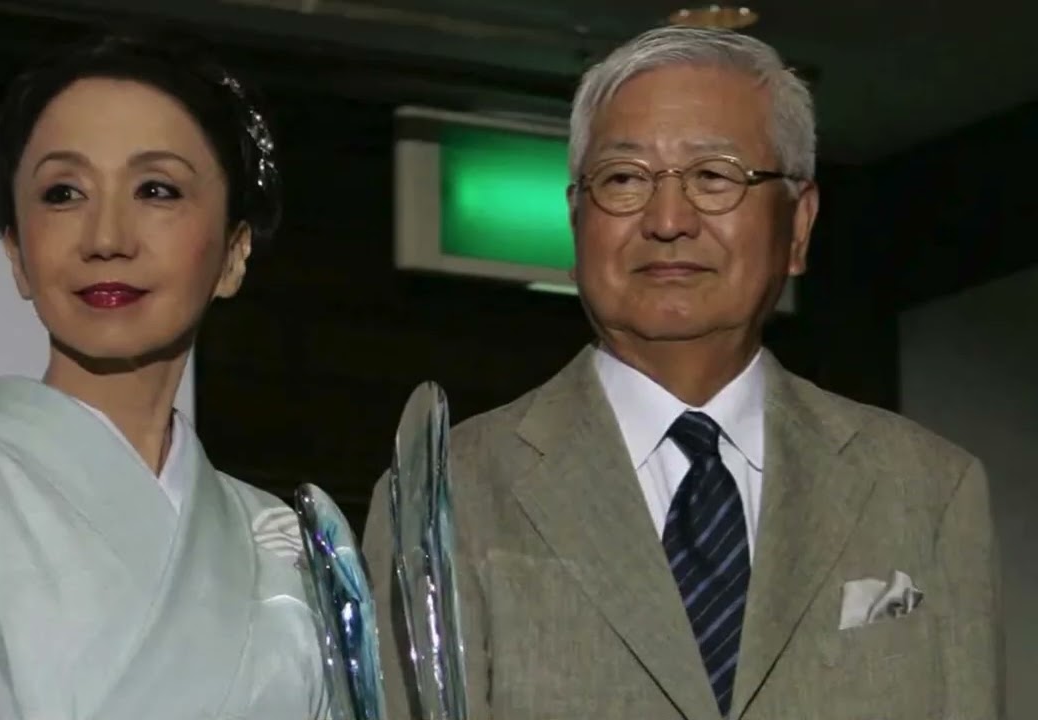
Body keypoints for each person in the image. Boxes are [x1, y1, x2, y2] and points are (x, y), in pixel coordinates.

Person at [362, 25, 1003, 720]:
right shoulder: (447, 496)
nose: (668, 220)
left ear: (798, 226)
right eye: (624, 179)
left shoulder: (926, 489)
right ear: (576, 220)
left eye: (714, 176)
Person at [0, 33, 325, 720]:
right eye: (63, 193)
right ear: (18, 255)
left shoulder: (284, 540)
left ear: (233, 253)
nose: (106, 237)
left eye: (156, 189)